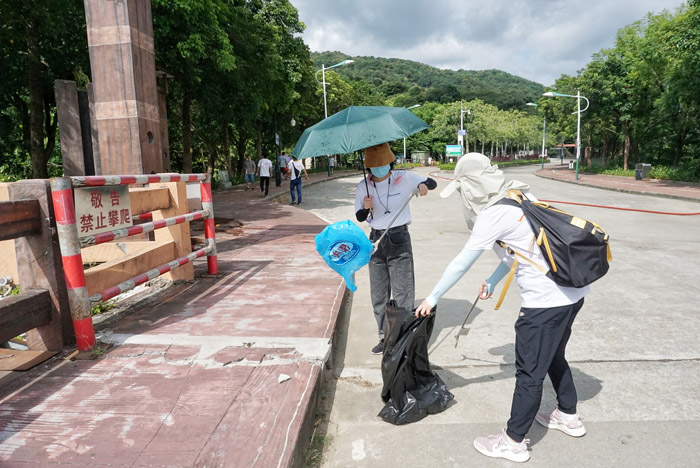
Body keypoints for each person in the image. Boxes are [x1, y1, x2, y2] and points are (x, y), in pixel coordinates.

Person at [414, 152, 589, 463]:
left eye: (463, 191)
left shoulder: (492, 214)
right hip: (572, 294)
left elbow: (460, 265)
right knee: (552, 355)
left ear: (472, 187)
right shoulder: (520, 193)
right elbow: (521, 249)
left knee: (529, 371)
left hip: (545, 303)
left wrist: (432, 297)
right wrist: (494, 279)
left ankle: (513, 441)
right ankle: (568, 414)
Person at [354, 142, 437, 355]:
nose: (380, 168)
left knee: (403, 292)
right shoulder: (363, 186)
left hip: (399, 237)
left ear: (390, 163)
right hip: (375, 241)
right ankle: (385, 337)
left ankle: (403, 337)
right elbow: (360, 217)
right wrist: (365, 208)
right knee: (378, 295)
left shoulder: (403, 177)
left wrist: (423, 186)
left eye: (383, 164)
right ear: (369, 166)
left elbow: (432, 182)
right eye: (375, 165)